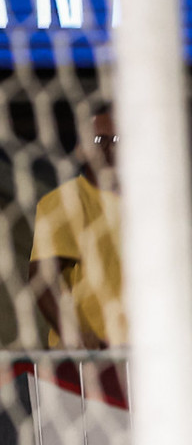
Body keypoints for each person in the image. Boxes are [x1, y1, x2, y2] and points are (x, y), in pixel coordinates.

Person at [29, 104, 121, 350]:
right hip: (91, 356)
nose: (109, 146)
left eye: (117, 139)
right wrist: (73, 334)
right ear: (82, 148)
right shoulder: (66, 200)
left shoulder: (147, 206)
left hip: (143, 351)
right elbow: (41, 278)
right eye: (99, 139)